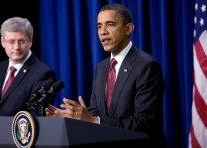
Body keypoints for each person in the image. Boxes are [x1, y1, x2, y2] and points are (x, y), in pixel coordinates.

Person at [45, 3, 168, 148]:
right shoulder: (101, 68)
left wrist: (92, 120)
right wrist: (73, 119)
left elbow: (144, 122)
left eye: (110, 24)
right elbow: (96, 114)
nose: (103, 32)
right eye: (99, 26)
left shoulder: (146, 66)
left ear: (129, 28)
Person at [0, 16, 56, 126]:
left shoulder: (43, 74)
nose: (16, 47)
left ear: (30, 41)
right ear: (2, 41)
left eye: (22, 41)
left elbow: (36, 120)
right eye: (11, 41)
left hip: (18, 142)